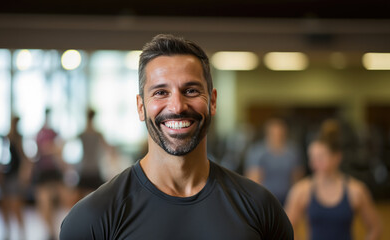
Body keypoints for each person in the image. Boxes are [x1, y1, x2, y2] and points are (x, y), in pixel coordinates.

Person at [60, 34, 293, 239]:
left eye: (191, 90)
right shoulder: (93, 217)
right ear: (141, 107)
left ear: (212, 101)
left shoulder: (260, 208)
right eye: (161, 92)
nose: (178, 106)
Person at [285, 119, 381, 240]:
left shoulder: (356, 190)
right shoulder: (301, 190)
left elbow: (375, 228)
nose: (314, 163)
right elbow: (287, 229)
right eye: (312, 158)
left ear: (337, 157)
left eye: (320, 157)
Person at [245, 118, 304, 205]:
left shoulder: (293, 151)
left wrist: (295, 200)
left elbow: (297, 179)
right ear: (267, 133)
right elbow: (253, 180)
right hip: (264, 198)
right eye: (274, 133)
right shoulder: (257, 151)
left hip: (287, 198)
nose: (277, 136)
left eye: (280, 133)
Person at [33, 109, 69, 240]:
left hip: (54, 172)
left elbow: (59, 151)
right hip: (43, 172)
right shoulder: (39, 134)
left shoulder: (54, 133)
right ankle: (50, 231)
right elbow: (38, 153)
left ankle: (54, 230)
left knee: (56, 204)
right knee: (44, 204)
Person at [0, 116, 31, 239]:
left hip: (15, 175)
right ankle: (7, 231)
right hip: (8, 174)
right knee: (4, 204)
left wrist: (24, 175)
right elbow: (2, 157)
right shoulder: (8, 138)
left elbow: (25, 159)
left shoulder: (18, 138)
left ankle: (22, 233)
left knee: (16, 206)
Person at [76, 109, 112, 198]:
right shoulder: (97, 134)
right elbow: (109, 149)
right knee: (98, 197)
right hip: (93, 169)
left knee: (81, 198)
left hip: (86, 168)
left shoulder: (83, 133)